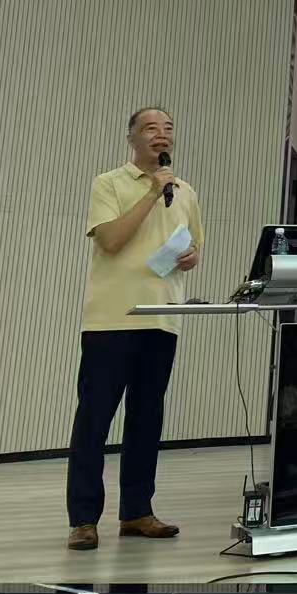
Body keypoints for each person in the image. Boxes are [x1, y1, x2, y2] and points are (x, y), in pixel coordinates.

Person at [66, 107, 202, 551]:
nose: (161, 135)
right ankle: (84, 519)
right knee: (94, 419)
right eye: (151, 128)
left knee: (146, 419)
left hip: (162, 318)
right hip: (112, 319)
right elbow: (110, 241)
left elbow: (194, 247)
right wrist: (151, 193)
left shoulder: (185, 192)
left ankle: (137, 512)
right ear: (132, 138)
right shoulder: (109, 183)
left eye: (168, 129)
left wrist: (191, 257)